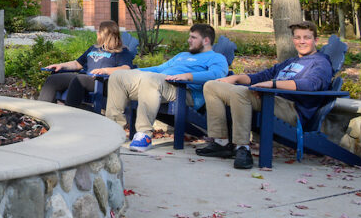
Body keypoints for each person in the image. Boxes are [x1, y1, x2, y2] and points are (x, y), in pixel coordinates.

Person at [198, 21, 332, 169]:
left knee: (240, 93)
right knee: (211, 86)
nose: (301, 41)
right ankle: (221, 142)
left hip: (291, 110)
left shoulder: (321, 62)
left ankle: (242, 148)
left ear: (316, 40)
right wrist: (235, 78)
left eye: (306, 37)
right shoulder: (291, 62)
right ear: (293, 40)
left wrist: (273, 84)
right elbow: (261, 76)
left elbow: (311, 84)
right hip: (269, 100)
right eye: (297, 37)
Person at [106, 23, 228, 152]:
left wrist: (188, 76)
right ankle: (113, 129)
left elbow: (217, 74)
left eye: (193, 37)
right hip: (159, 83)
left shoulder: (217, 58)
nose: (189, 40)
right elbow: (159, 69)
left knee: (151, 79)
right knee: (118, 76)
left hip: (184, 91)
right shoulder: (182, 55)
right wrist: (132, 72)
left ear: (206, 40)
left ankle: (144, 134)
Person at [38, 20, 135, 106]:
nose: (97, 33)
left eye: (99, 31)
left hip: (103, 82)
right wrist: (61, 65)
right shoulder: (94, 48)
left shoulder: (121, 51)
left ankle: (68, 115)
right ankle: (41, 116)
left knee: (80, 79)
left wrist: (105, 70)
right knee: (53, 79)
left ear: (103, 34)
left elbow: (126, 68)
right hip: (86, 78)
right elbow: (77, 64)